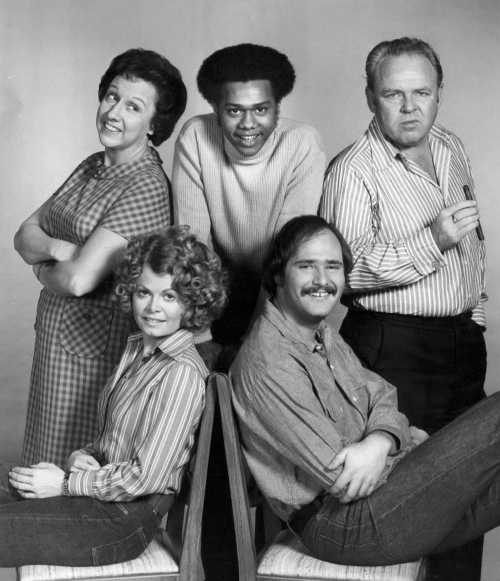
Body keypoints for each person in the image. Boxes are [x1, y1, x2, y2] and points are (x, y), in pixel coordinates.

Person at [231, 215, 500, 572]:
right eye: (306, 266)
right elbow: (342, 478)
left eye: (333, 267)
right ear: (279, 274)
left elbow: (383, 394)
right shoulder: (268, 361)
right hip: (346, 524)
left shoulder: (322, 334)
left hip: (383, 499)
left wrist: (381, 441)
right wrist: (404, 440)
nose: (323, 281)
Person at [320, 38, 486, 578]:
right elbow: (343, 277)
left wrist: (473, 316)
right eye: (394, 93)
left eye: (422, 92)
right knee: (410, 495)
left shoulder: (451, 146)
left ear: (440, 94)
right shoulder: (351, 170)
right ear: (371, 98)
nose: (410, 106)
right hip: (392, 346)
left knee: (470, 490)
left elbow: (473, 245)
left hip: (460, 342)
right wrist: (430, 241)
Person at [0, 227, 227, 566]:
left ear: (191, 302)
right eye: (143, 292)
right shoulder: (137, 349)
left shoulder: (181, 372)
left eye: (169, 296)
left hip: (122, 522)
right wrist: (80, 456)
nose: (152, 307)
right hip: (100, 497)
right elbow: (112, 440)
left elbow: (145, 477)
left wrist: (64, 483)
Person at [14, 48, 187, 467]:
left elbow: (78, 282)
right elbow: (23, 234)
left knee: (71, 470)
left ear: (154, 124)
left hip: (94, 355)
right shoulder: (91, 166)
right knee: (41, 467)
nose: (114, 112)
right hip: (56, 344)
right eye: (111, 96)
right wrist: (57, 250)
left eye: (133, 106)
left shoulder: (145, 185)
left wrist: (41, 266)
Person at [172, 43, 326, 349]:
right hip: (210, 292)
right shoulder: (195, 137)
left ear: (277, 107)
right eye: (234, 111)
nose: (248, 124)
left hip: (279, 296)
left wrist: (255, 342)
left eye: (261, 109)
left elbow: (287, 254)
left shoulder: (302, 144)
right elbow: (193, 244)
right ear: (216, 109)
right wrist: (202, 338)